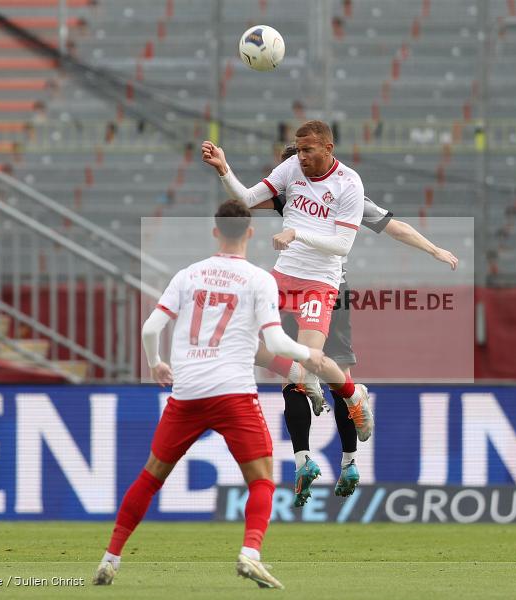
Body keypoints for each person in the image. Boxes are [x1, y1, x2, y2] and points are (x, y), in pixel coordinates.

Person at [93, 199, 338, 589]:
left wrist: (156, 363)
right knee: (261, 480)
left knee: (151, 476)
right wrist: (307, 353)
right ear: (250, 233)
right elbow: (274, 339)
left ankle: (110, 558)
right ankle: (250, 554)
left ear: (215, 231)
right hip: (233, 393)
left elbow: (150, 329)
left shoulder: (188, 275)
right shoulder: (259, 279)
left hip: (186, 392)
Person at [249, 143, 458, 503]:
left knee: (313, 377)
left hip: (329, 291)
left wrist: (434, 249)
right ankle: (322, 461)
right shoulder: (289, 195)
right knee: (311, 376)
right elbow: (250, 201)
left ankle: (331, 460)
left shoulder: (346, 193)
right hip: (297, 287)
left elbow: (395, 227)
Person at [202, 120, 375, 507]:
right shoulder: (292, 170)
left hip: (323, 283)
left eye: (309, 149)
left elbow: (343, 245)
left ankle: (350, 413)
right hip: (283, 277)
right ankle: (307, 449)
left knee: (312, 362)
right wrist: (224, 168)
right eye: (298, 150)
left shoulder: (350, 184)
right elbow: (247, 199)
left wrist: (297, 233)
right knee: (265, 354)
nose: (302, 156)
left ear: (329, 147)